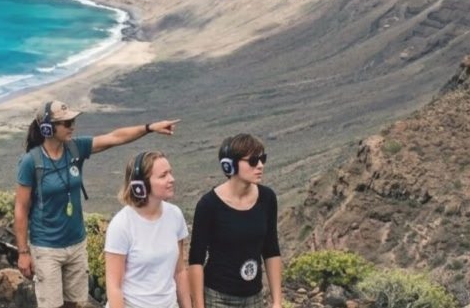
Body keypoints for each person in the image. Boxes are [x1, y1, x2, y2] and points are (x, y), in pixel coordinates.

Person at [14, 100, 180, 308]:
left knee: (76, 303)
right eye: (66, 123)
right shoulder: (31, 161)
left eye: (73, 121)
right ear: (47, 128)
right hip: (46, 247)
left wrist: (149, 128)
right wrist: (23, 252)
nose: (72, 126)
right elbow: (21, 208)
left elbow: (114, 138)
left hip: (76, 243)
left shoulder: (75, 148)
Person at [187, 134, 282, 308]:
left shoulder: (267, 198)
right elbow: (196, 260)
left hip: (254, 297)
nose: (260, 165)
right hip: (217, 298)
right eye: (253, 161)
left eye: (262, 159)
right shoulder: (208, 205)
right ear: (229, 165)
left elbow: (271, 249)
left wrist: (277, 301)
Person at [105, 151, 191, 308]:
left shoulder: (175, 215)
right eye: (163, 175)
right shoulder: (121, 225)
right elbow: (114, 286)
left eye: (170, 173)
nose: (171, 179)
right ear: (140, 185)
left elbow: (179, 271)